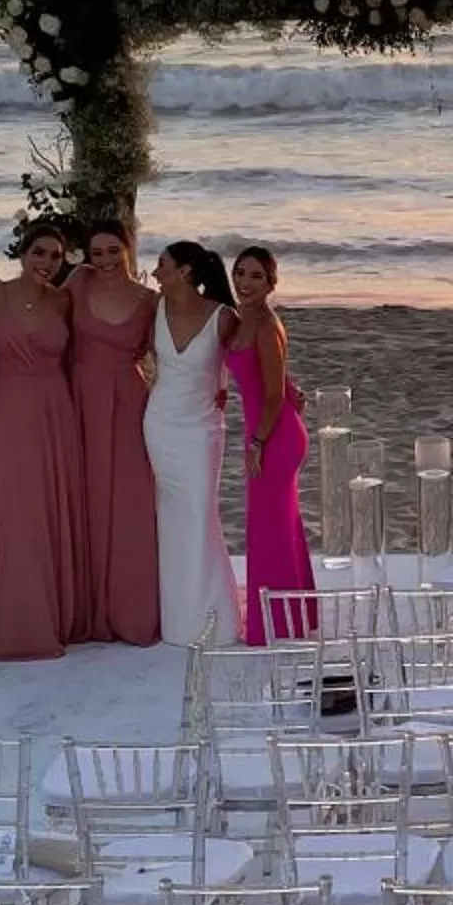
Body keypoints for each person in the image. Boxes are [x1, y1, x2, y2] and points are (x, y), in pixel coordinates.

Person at [0, 219, 87, 660]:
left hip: (55, 411)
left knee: (50, 506)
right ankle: (15, 621)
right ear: (22, 253)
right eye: (39, 252)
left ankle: (56, 613)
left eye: (56, 256)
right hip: (8, 409)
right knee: (16, 508)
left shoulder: (64, 301)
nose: (47, 262)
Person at [65, 219, 161, 646]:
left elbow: (179, 352)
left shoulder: (149, 301)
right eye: (96, 252)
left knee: (130, 501)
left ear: (128, 249)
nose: (103, 260)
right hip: (79, 397)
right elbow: (37, 311)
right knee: (84, 498)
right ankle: (85, 608)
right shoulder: (77, 283)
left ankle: (130, 609)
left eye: (112, 251)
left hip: (128, 400)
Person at [145, 240, 241, 650]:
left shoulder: (223, 317)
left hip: (202, 429)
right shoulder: (154, 309)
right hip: (160, 424)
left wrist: (227, 388)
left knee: (200, 515)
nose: (154, 271)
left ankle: (215, 619)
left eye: (162, 265)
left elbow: (250, 360)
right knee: (170, 518)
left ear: (184, 271)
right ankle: (179, 622)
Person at [226, 245, 314, 643]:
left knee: (269, 530)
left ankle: (277, 624)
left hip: (273, 436)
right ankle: (292, 614)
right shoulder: (241, 318)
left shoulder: (264, 323)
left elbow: (274, 395)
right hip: (263, 429)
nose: (245, 282)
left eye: (256, 276)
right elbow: (273, 378)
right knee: (275, 527)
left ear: (271, 283)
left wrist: (258, 442)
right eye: (240, 273)